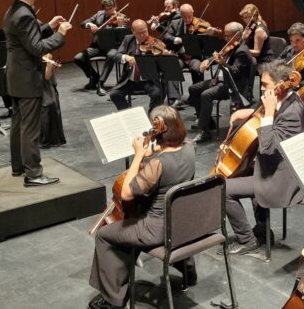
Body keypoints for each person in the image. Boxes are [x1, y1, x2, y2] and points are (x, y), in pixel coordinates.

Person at [88, 106, 196, 309]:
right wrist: (151, 148)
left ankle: (113, 300)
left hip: (156, 228)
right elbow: (169, 151)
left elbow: (127, 193)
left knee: (104, 235)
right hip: (183, 221)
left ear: (159, 131)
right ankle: (188, 272)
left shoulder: (158, 165)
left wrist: (138, 155)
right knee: (128, 228)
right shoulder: (190, 148)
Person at [224, 60, 304, 254]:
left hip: (282, 180)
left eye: (265, 85)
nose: (261, 89)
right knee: (244, 170)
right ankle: (262, 230)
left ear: (280, 85)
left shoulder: (291, 113)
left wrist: (269, 113)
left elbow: (267, 149)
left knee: (224, 189)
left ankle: (246, 240)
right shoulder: (290, 99)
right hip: (278, 168)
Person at [4, 0, 71, 186]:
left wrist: (49, 26)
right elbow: (37, 48)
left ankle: (18, 167)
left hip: (16, 76)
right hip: (27, 78)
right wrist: (59, 34)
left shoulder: (15, 10)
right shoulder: (24, 14)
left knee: (18, 125)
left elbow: (28, 36)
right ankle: (33, 174)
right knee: (30, 128)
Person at [188, 22, 254, 143]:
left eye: (229, 36)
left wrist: (223, 63)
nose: (226, 38)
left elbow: (235, 72)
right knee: (193, 89)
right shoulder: (230, 45)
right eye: (226, 35)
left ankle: (204, 131)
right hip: (219, 81)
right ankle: (208, 122)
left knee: (205, 95)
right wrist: (207, 61)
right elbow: (219, 55)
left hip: (231, 85)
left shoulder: (242, 51)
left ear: (238, 35)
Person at [73, 0, 127, 96]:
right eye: (106, 9)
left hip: (112, 48)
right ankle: (94, 77)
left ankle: (101, 84)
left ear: (116, 6)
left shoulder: (121, 17)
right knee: (78, 58)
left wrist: (120, 25)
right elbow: (83, 23)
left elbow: (124, 36)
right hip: (97, 47)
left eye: (110, 9)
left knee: (111, 55)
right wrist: (90, 25)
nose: (108, 12)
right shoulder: (99, 14)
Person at [108, 19, 165, 113]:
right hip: (130, 80)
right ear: (133, 32)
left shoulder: (155, 42)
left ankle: (151, 116)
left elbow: (161, 64)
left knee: (157, 94)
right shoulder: (128, 39)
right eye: (139, 33)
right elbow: (117, 55)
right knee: (114, 94)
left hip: (148, 80)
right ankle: (128, 115)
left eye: (144, 31)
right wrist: (126, 57)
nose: (143, 35)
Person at [40, 53, 66, 148]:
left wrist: (50, 65)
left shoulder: (47, 56)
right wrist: (49, 65)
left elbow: (47, 77)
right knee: (48, 104)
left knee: (52, 103)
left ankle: (53, 137)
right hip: (35, 85)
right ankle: (44, 139)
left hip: (45, 85)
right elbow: (46, 76)